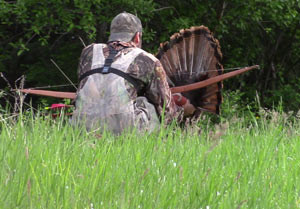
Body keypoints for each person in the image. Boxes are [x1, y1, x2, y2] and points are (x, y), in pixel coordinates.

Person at [71, 12, 195, 134]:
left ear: (112, 35)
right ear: (137, 37)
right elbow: (167, 112)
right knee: (147, 104)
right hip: (124, 131)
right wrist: (184, 110)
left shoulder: (88, 52)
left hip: (81, 126)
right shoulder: (147, 59)